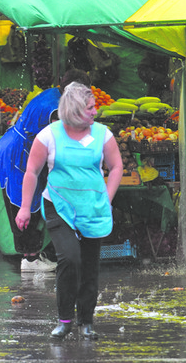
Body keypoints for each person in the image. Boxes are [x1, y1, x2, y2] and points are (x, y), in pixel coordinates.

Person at [16, 82, 123, 340]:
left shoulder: (103, 135)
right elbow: (32, 171)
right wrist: (25, 208)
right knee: (70, 258)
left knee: (89, 265)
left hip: (92, 207)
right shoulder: (49, 136)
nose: (95, 112)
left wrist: (107, 198)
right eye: (90, 108)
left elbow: (116, 166)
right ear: (75, 110)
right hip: (58, 205)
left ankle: (86, 321)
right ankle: (64, 319)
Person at [0, 69, 92, 269]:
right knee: (25, 203)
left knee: (30, 202)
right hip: (20, 153)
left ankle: (34, 256)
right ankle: (31, 259)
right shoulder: (55, 110)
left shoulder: (56, 94)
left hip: (19, 146)